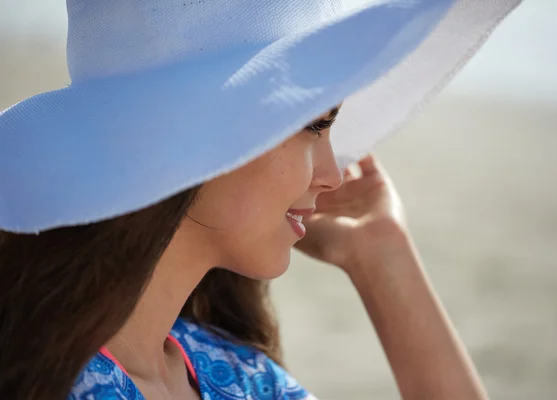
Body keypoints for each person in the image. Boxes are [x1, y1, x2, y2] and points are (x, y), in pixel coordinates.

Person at [0, 0, 521, 399]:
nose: (332, 175)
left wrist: (382, 256)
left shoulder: (238, 376)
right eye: (313, 125)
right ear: (208, 134)